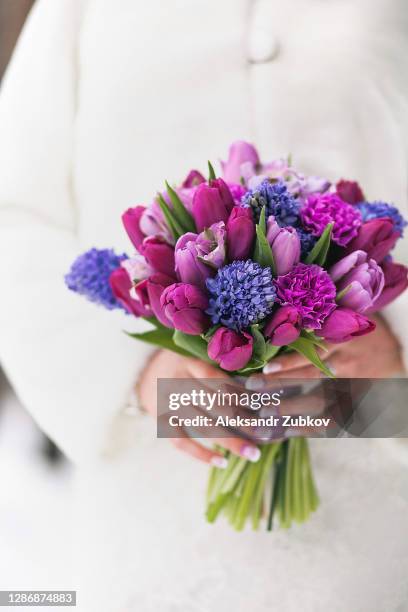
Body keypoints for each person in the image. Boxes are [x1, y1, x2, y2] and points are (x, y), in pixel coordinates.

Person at [0, 1, 407, 610]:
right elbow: (15, 211)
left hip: (372, 467)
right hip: (154, 488)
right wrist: (134, 373)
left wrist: (396, 349)